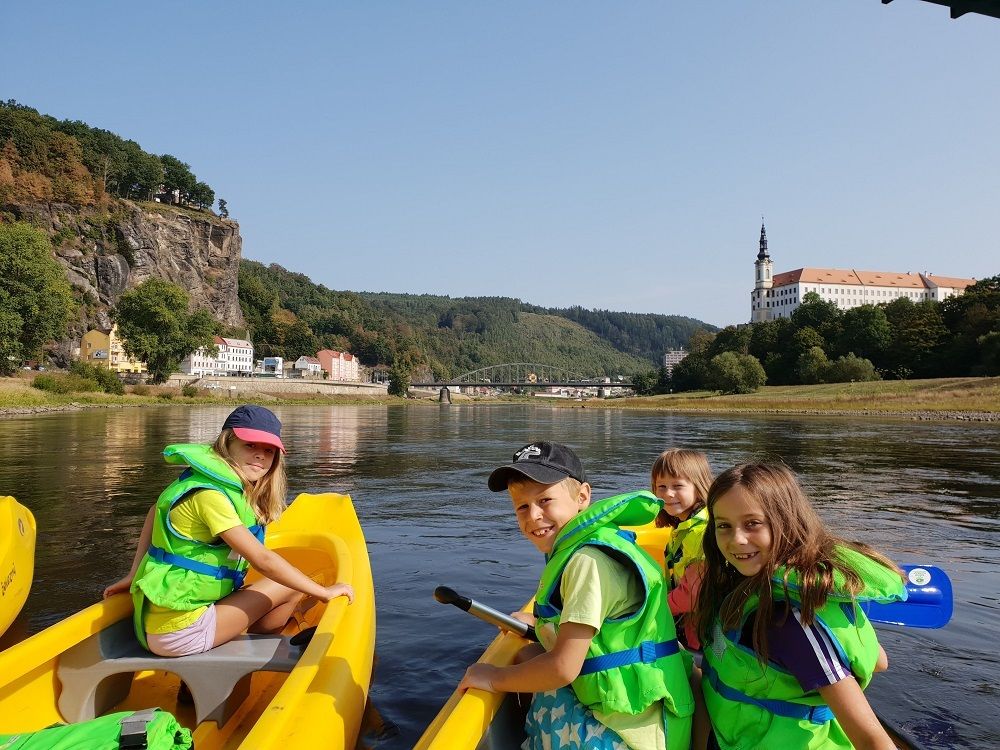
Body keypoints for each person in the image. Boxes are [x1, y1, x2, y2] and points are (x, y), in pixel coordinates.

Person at [459, 441, 695, 750]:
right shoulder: (580, 550)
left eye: (545, 500)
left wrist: (492, 678)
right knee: (527, 656)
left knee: (532, 673)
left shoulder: (587, 562)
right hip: (622, 711)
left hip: (631, 731)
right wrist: (539, 623)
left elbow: (562, 668)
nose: (533, 516)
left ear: (582, 497)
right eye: (522, 506)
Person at [103, 405, 353, 656]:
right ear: (227, 443)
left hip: (167, 622)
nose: (260, 456)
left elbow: (153, 512)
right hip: (180, 632)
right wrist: (323, 592)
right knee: (293, 586)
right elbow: (264, 561)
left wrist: (134, 572)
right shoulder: (211, 496)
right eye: (250, 445)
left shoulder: (199, 481)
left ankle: (243, 639)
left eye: (268, 450)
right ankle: (254, 653)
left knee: (282, 584)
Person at [691, 462, 906, 750]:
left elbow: (873, 740)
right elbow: (879, 660)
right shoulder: (742, 585)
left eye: (753, 523)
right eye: (724, 526)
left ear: (785, 521)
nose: (737, 540)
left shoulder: (791, 622)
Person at [651, 449, 713, 650]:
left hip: (704, 636)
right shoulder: (683, 526)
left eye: (678, 486)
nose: (668, 494)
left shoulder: (702, 532)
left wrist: (656, 609)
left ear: (699, 487)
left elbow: (693, 594)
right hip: (691, 626)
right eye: (661, 486)